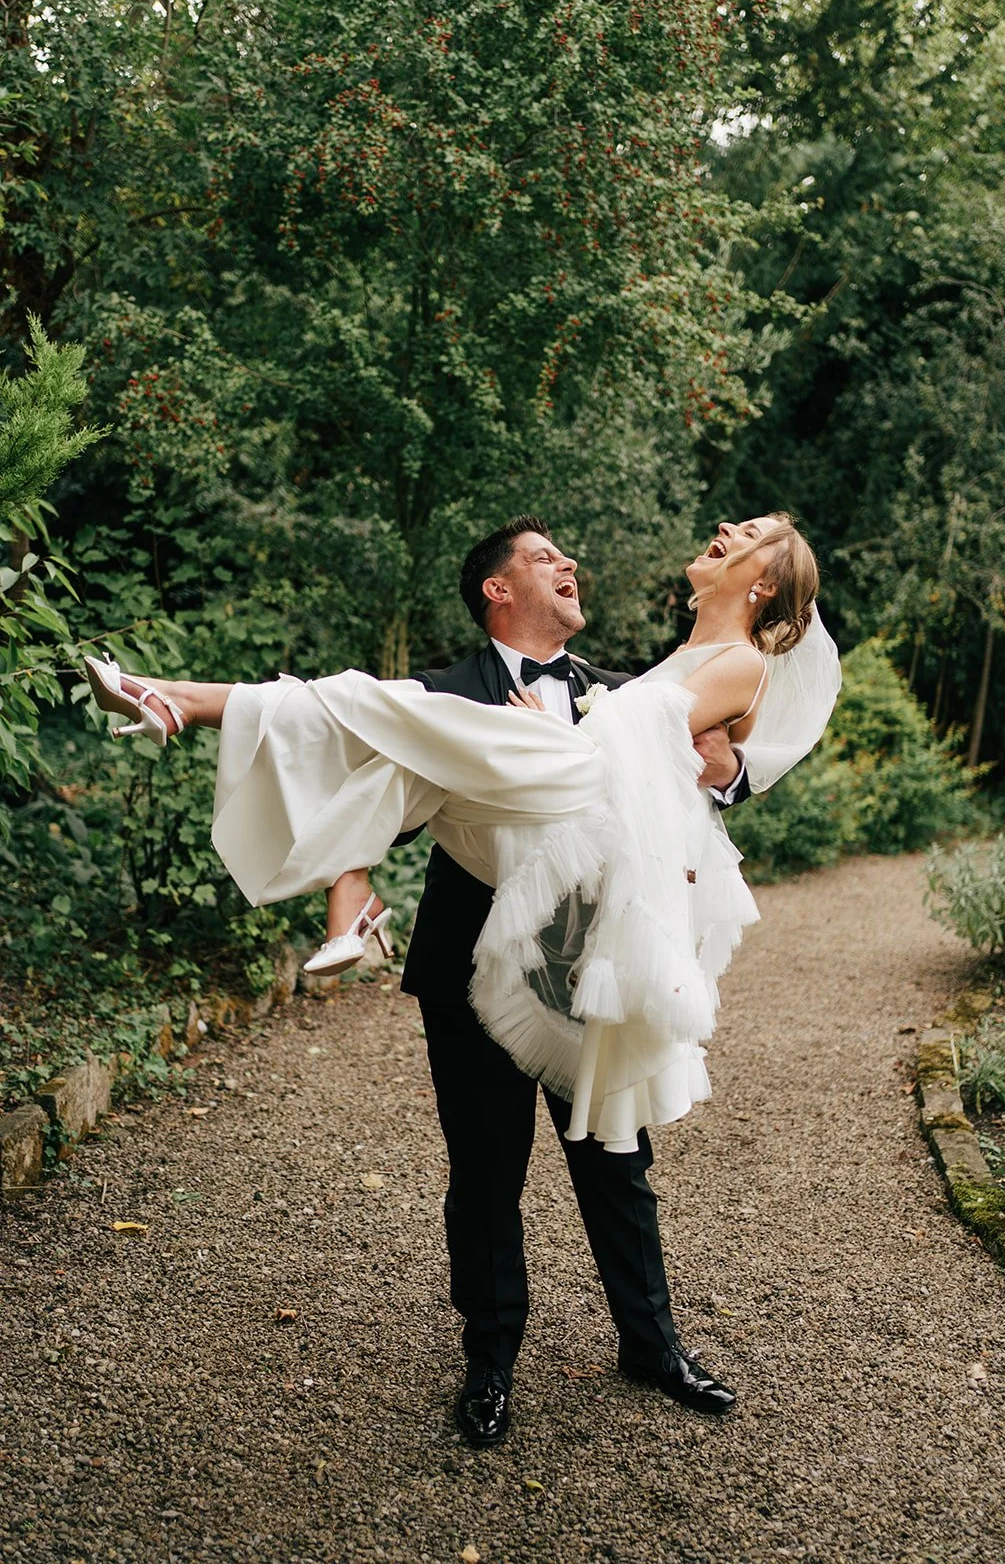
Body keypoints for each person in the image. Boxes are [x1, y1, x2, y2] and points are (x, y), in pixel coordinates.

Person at [84, 511, 839, 1446]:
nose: (569, 563)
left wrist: (698, 765)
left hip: (586, 955)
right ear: (498, 589)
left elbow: (709, 764)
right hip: (469, 958)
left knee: (615, 1164)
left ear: (765, 582)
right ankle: (490, 1365)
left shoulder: (619, 684)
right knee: (484, 1176)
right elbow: (408, 793)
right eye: (542, 558)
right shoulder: (447, 692)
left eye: (747, 535)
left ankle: (653, 1348)